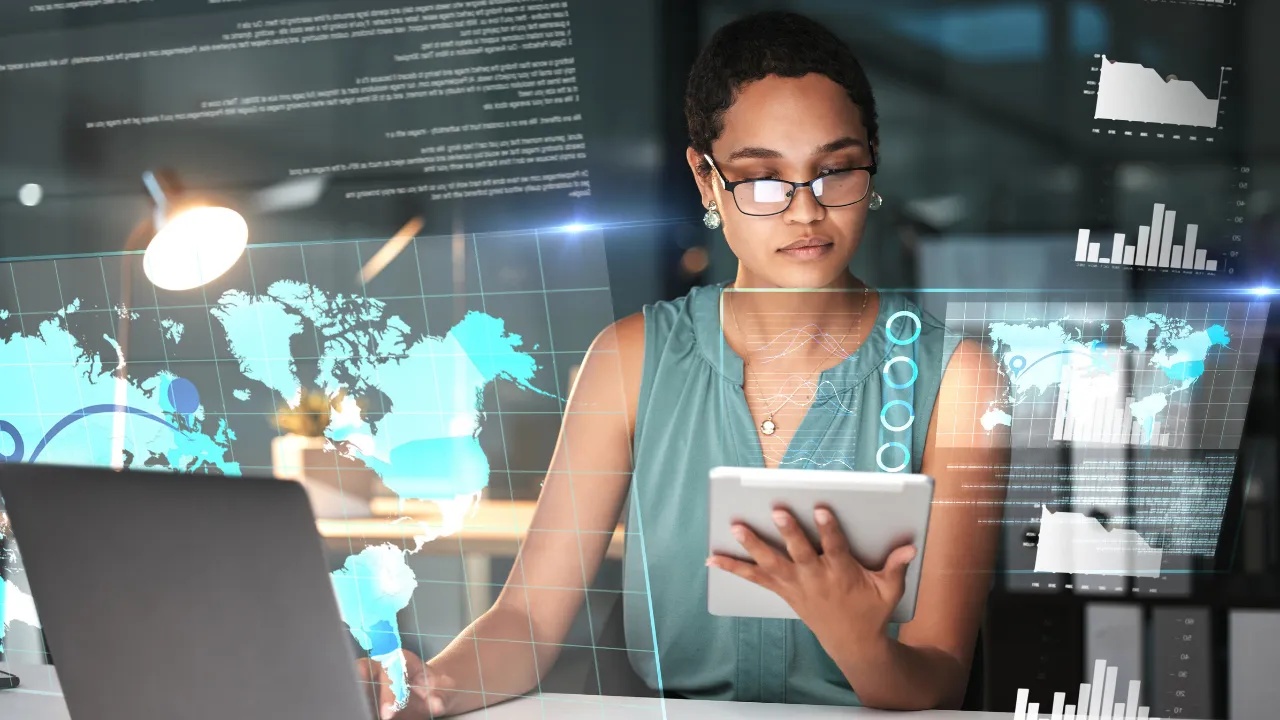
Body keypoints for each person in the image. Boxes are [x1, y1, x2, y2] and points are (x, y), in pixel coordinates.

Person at [361, 10, 1008, 717]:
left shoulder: (959, 380)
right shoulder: (628, 360)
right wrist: (429, 690)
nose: (805, 211)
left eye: (834, 171)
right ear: (706, 179)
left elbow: (940, 680)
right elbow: (528, 619)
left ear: (871, 160)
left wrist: (858, 642)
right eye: (762, 179)